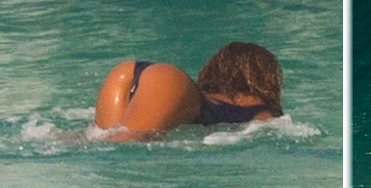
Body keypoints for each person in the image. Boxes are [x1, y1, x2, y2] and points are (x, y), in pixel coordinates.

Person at [93, 42, 284, 139]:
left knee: (101, 144)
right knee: (121, 146)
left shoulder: (202, 95)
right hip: (170, 83)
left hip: (127, 72)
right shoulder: (260, 108)